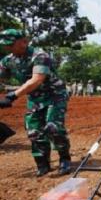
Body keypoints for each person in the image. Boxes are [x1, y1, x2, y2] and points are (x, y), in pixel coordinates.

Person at [0, 29, 72, 176]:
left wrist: (12, 96)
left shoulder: (39, 56)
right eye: (6, 45)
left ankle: (65, 159)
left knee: (53, 127)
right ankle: (42, 164)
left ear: (23, 42)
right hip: (35, 98)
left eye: (11, 44)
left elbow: (37, 79)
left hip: (55, 95)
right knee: (34, 131)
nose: (8, 48)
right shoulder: (7, 61)